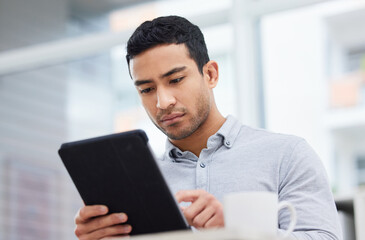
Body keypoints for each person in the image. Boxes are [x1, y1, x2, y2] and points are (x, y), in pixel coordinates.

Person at [74, 16, 342, 240]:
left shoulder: (287, 154)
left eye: (176, 79)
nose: (162, 102)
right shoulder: (135, 185)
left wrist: (236, 232)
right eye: (146, 89)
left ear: (210, 74)